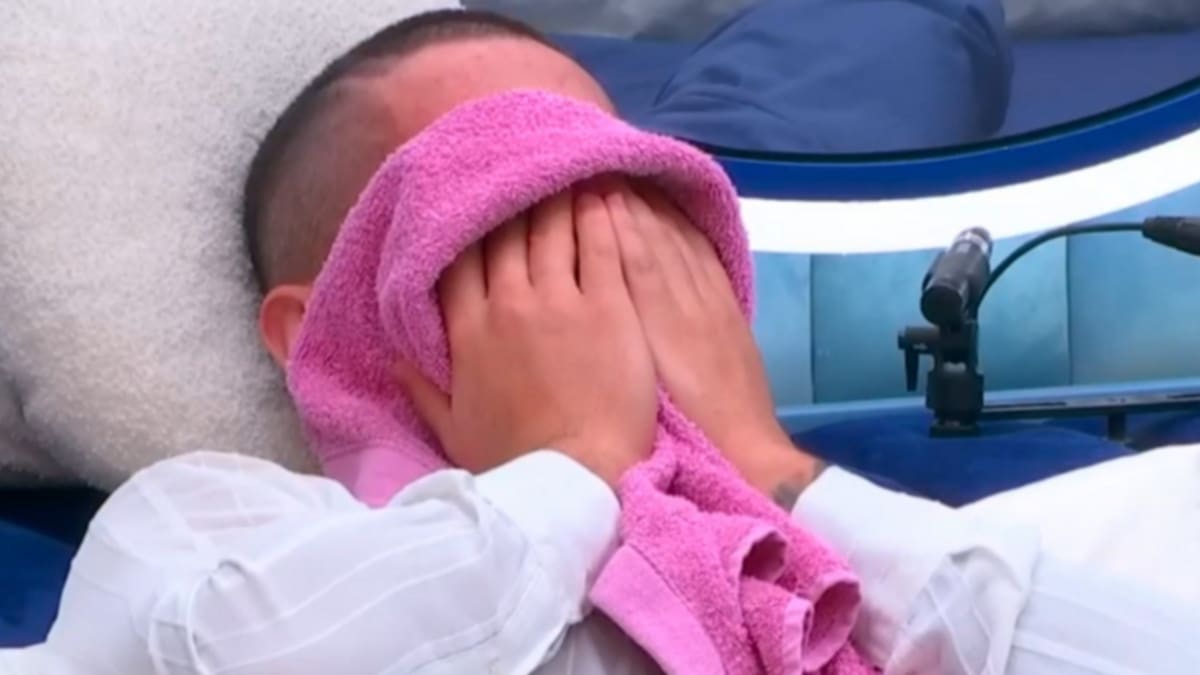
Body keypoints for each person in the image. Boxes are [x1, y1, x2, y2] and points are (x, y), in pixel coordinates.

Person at [3, 8, 1196, 675]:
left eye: (627, 197)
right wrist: (566, 467)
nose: (599, 259)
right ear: (320, 331)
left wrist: (771, 475)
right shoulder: (214, 529)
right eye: (515, 222)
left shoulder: (847, 571)